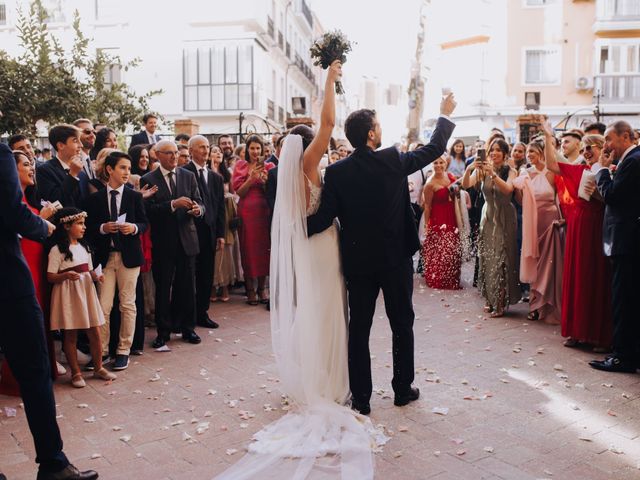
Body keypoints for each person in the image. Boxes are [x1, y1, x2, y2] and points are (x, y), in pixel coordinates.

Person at [307, 93, 457, 416]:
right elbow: (432, 150)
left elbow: (322, 218)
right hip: (394, 259)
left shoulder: (336, 173)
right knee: (402, 323)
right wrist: (443, 116)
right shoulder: (391, 159)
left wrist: (293, 227)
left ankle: (362, 399)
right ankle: (402, 389)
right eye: (378, 125)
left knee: (358, 329)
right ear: (372, 134)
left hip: (359, 264)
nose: (380, 129)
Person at [0, 143, 99, 480]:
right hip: (7, 282)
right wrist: (44, 228)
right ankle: (53, 464)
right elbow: (13, 212)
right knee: (35, 369)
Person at [542, 124, 613, 350]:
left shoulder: (610, 170)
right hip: (578, 227)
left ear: (602, 148)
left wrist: (598, 190)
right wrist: (547, 136)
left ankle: (598, 335)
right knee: (577, 276)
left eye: (590, 147)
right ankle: (576, 331)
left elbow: (613, 200)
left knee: (595, 278)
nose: (585, 151)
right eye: (583, 148)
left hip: (597, 226)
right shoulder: (580, 171)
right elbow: (552, 164)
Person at [1, 151, 61, 396]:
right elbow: (17, 220)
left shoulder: (28, 197)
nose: (31, 169)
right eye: (25, 164)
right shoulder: (16, 201)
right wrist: (41, 220)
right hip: (19, 261)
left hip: (34, 257)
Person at [85, 151, 148, 371]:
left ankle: (123, 351)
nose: (126, 172)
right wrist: (103, 228)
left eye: (129, 169)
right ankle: (100, 352)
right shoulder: (95, 199)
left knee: (127, 304)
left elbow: (144, 223)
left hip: (129, 258)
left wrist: (134, 228)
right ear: (110, 170)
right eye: (122, 168)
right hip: (105, 258)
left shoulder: (134, 196)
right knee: (103, 307)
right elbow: (89, 229)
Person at [140, 140, 204, 349]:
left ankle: (188, 328)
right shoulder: (148, 179)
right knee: (163, 288)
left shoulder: (188, 175)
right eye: (169, 153)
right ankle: (163, 331)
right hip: (163, 242)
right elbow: (147, 211)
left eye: (176, 153)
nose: (174, 156)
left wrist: (197, 210)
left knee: (187, 287)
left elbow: (199, 201)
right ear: (157, 155)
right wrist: (172, 205)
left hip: (187, 239)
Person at [589, 121, 640, 373]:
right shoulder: (630, 160)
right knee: (629, 300)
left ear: (626, 137)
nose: (606, 144)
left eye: (609, 139)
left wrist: (600, 171)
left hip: (627, 242)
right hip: (627, 241)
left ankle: (622, 357)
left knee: (623, 301)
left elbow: (613, 196)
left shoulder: (633, 161)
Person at [47, 207, 116, 387]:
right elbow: (50, 276)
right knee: (71, 334)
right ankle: (76, 373)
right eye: (79, 224)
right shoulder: (57, 250)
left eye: (83, 223)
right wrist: (65, 276)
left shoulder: (85, 247)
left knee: (94, 331)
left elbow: (89, 269)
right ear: (67, 226)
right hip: (69, 294)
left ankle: (98, 367)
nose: (83, 227)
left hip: (85, 292)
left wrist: (96, 276)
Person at [462, 138, 520, 317]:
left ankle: (500, 301)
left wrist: (493, 175)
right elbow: (466, 185)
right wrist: (469, 169)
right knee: (488, 257)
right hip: (487, 216)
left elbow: (508, 190)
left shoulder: (511, 171)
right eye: (491, 150)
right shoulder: (481, 170)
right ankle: (490, 298)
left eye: (497, 150)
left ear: (504, 153)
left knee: (502, 258)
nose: (494, 153)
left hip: (505, 216)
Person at [512, 139, 564, 324]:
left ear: (542, 152)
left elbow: (560, 197)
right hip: (532, 222)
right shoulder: (526, 173)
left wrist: (561, 218)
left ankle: (550, 304)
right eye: (528, 152)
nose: (529, 155)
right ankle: (534, 305)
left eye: (532, 152)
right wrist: (519, 187)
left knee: (549, 263)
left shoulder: (551, 173)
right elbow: (520, 201)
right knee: (534, 262)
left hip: (550, 222)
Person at [182, 135, 225, 329]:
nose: (206, 150)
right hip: (190, 232)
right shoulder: (183, 173)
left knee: (207, 274)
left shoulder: (215, 177)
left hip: (209, 233)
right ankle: (188, 316)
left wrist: (221, 234)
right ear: (190, 151)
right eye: (201, 147)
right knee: (190, 275)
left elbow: (220, 208)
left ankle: (203, 313)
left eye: (207, 147)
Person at [231, 135, 275, 305]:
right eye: (252, 148)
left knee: (264, 249)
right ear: (247, 150)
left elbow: (272, 191)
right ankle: (250, 289)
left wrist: (265, 182)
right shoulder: (241, 166)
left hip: (264, 210)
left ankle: (262, 288)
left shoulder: (270, 166)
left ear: (263, 150)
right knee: (248, 249)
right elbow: (239, 192)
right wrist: (251, 178)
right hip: (247, 211)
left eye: (258, 148)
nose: (255, 152)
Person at [421, 156, 462, 289]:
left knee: (452, 245)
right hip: (438, 217)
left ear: (446, 163)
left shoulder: (451, 177)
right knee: (440, 247)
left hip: (451, 215)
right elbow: (427, 207)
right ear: (431, 165)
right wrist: (427, 226)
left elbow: (458, 193)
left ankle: (451, 277)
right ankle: (439, 277)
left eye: (441, 162)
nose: (438, 165)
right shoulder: (429, 184)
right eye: (435, 162)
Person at [210, 145, 236, 302]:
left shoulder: (228, 174)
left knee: (226, 250)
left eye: (219, 152)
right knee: (214, 251)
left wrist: (229, 197)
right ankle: (213, 286)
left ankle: (225, 285)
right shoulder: (207, 173)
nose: (218, 153)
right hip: (212, 214)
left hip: (226, 214)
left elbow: (234, 193)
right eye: (214, 151)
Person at [36, 124, 85, 207]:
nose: (81, 145)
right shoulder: (45, 170)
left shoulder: (81, 171)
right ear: (60, 145)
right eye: (75, 141)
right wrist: (72, 175)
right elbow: (55, 201)